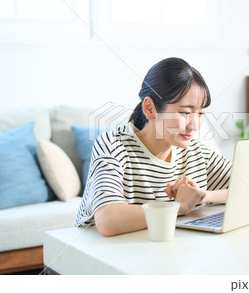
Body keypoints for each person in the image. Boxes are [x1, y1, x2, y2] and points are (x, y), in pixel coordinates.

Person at [75, 57, 231, 236]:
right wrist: (177, 206)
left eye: (201, 113)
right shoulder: (113, 145)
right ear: (150, 108)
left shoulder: (197, 153)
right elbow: (108, 219)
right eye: (185, 113)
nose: (194, 125)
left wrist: (201, 196)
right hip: (103, 255)